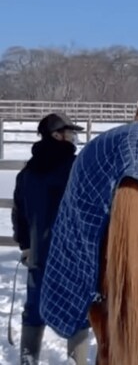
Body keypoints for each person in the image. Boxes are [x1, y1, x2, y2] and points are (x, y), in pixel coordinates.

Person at [11, 113, 89, 364]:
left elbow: (19, 213)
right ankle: (76, 360)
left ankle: (28, 358)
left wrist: (25, 245)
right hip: (73, 252)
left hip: (38, 252)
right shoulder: (77, 168)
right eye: (69, 132)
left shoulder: (27, 173)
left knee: (34, 307)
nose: (73, 136)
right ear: (57, 135)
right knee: (77, 308)